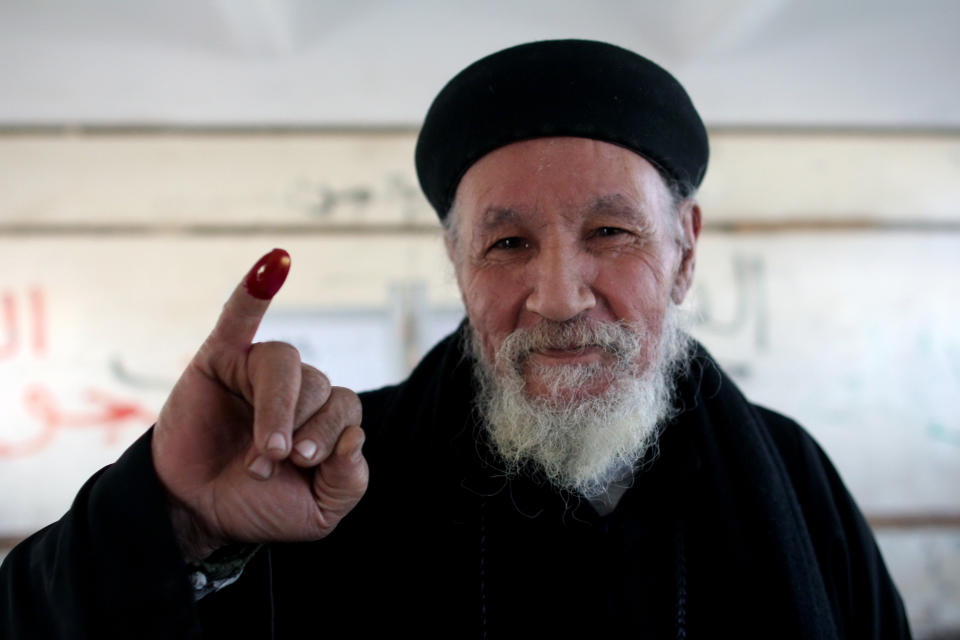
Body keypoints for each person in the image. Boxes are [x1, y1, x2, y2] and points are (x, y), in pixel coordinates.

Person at [1, 39, 911, 639]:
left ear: (683, 252)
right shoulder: (327, 481)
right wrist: (179, 518)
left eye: (610, 233)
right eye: (508, 243)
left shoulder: (792, 478)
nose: (557, 297)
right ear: (458, 265)